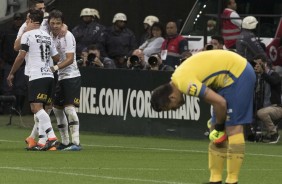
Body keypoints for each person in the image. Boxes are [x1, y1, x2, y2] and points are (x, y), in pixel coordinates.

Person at [150, 50, 256, 184]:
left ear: (171, 97)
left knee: (233, 128)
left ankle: (232, 180)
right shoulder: (177, 78)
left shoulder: (185, 84)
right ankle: (215, 180)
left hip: (239, 73)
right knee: (215, 131)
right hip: (227, 76)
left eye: (171, 107)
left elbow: (220, 103)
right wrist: (216, 126)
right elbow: (216, 101)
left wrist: (219, 125)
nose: (175, 109)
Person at [7, 9, 59, 151]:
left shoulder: (27, 34)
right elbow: (56, 58)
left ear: (29, 20)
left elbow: (20, 55)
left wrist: (12, 73)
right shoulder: (47, 36)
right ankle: (42, 142)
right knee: (41, 109)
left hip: (36, 75)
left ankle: (52, 137)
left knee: (36, 108)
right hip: (49, 75)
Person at [48, 10, 82, 151]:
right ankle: (65, 142)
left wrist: (55, 67)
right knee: (57, 110)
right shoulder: (49, 35)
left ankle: (76, 142)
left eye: (58, 23)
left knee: (69, 108)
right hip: (61, 77)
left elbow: (69, 59)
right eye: (53, 23)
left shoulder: (67, 35)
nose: (55, 26)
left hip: (71, 75)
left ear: (62, 24)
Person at [0, 13, 27, 114]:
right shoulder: (6, 32)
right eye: (16, 19)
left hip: (22, 63)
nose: (18, 21)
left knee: (20, 87)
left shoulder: (27, 32)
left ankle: (18, 109)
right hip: (9, 63)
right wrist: (2, 59)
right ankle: (6, 110)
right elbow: (1, 46)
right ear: (13, 20)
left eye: (20, 19)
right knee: (7, 87)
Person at [254, 56, 282, 144]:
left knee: (261, 112)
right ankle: (255, 133)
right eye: (256, 64)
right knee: (255, 111)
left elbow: (273, 81)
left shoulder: (274, 74)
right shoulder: (259, 78)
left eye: (259, 64)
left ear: (265, 64)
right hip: (265, 108)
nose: (257, 66)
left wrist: (263, 73)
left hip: (277, 108)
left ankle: (274, 134)